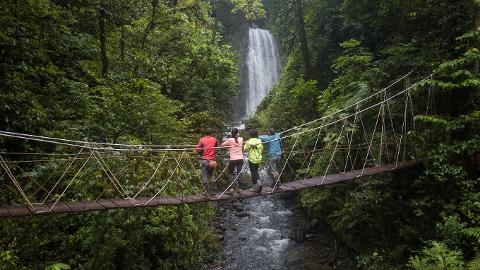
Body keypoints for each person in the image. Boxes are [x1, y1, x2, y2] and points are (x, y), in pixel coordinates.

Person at [196, 128, 218, 196]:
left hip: (204, 160)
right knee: (212, 176)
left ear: (205, 133)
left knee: (204, 176)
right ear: (211, 133)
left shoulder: (202, 140)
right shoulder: (214, 139)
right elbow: (217, 146)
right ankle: (213, 191)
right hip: (212, 160)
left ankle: (205, 192)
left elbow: (198, 150)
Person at [221, 128, 244, 195]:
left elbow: (222, 145)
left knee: (230, 174)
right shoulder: (241, 139)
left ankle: (232, 188)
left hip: (233, 159)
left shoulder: (230, 140)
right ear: (238, 133)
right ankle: (239, 188)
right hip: (240, 158)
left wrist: (229, 146)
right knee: (239, 173)